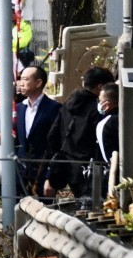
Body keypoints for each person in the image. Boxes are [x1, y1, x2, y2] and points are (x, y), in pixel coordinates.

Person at [44, 66, 115, 202]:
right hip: (90, 168)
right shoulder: (98, 110)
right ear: (101, 87)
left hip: (68, 166)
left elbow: (52, 136)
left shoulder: (67, 104)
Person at [14, 64, 61, 197]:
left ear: (38, 83)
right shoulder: (18, 109)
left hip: (42, 171)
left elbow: (56, 144)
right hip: (21, 172)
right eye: (20, 79)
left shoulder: (54, 108)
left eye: (25, 79)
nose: (21, 83)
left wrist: (50, 177)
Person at [96, 83, 119, 166]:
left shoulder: (105, 124)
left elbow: (108, 157)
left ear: (106, 105)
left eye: (99, 101)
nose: (98, 103)